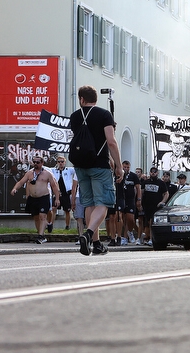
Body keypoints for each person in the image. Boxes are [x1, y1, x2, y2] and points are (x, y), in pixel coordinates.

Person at [69, 85, 122, 256]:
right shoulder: (104, 114)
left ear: (81, 99)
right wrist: (118, 165)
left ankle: (97, 244)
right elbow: (111, 142)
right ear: (95, 99)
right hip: (99, 165)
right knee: (103, 203)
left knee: (89, 203)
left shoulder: (75, 117)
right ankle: (88, 234)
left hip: (81, 166)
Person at [10, 155, 61, 244]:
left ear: (42, 163)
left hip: (44, 197)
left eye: (37, 162)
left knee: (42, 216)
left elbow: (54, 186)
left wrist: (57, 199)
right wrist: (15, 189)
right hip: (33, 198)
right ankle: (41, 234)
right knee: (36, 217)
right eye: (34, 162)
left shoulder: (47, 173)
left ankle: (40, 236)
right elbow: (21, 182)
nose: (35, 164)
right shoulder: (29, 173)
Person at [139, 166, 168, 246]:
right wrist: (140, 203)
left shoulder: (161, 183)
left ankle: (152, 239)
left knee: (152, 222)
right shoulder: (145, 182)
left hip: (156, 206)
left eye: (155, 172)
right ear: (149, 172)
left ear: (157, 173)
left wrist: (162, 202)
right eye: (152, 171)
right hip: (146, 206)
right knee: (147, 223)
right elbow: (141, 193)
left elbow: (166, 193)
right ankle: (145, 238)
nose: (153, 173)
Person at [48, 154, 76, 232]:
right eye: (59, 162)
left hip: (66, 193)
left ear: (65, 162)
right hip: (57, 193)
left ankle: (67, 226)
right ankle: (51, 224)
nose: (60, 163)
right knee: (53, 208)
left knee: (67, 210)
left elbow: (77, 169)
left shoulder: (69, 170)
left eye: (62, 162)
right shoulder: (54, 170)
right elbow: (45, 169)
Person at [119, 161, 142, 246]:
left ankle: (130, 231)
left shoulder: (133, 176)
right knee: (123, 219)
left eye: (128, 167)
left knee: (130, 218)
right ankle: (124, 238)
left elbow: (138, 188)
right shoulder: (119, 175)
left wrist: (139, 199)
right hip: (122, 198)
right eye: (124, 167)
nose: (126, 169)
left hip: (131, 199)